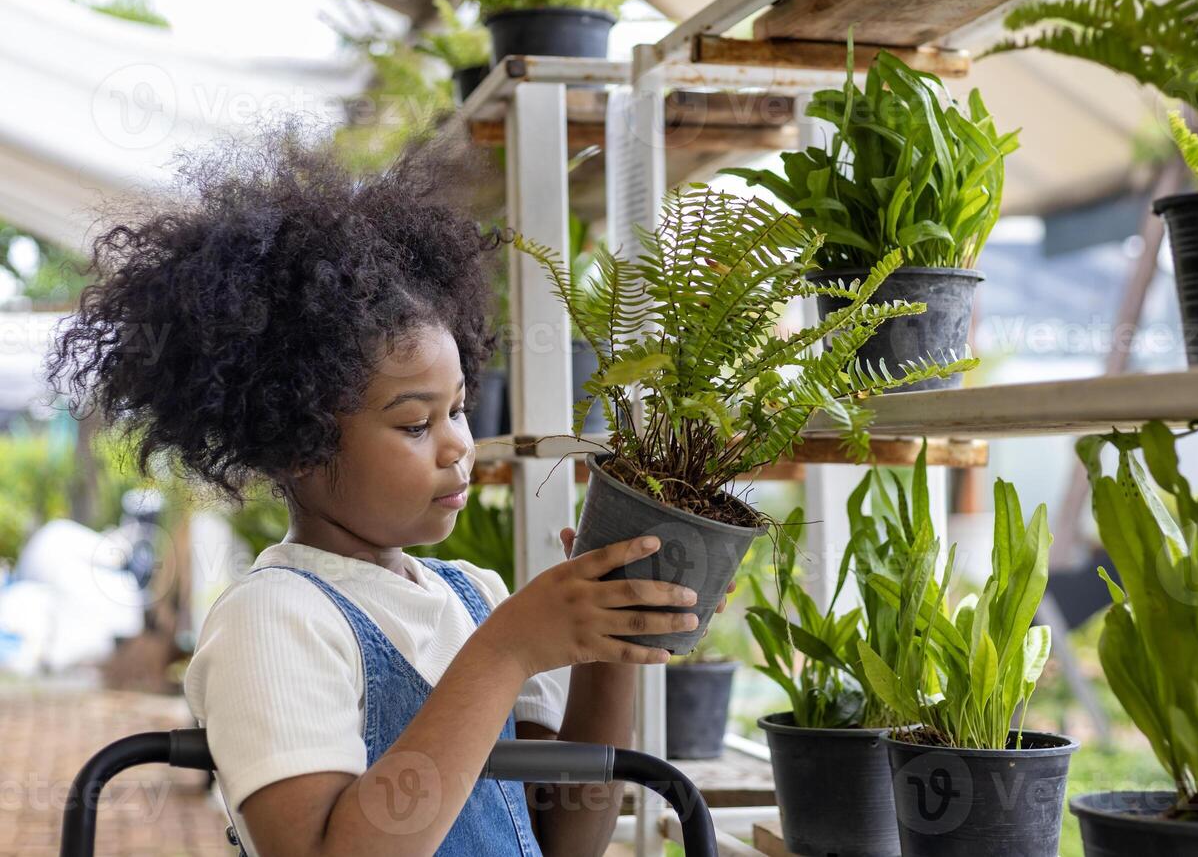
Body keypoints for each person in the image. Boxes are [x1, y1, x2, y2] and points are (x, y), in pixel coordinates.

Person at [46, 128, 730, 857]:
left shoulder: (474, 596)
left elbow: (564, 839)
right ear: (298, 442)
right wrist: (503, 655)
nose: (459, 444)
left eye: (459, 409)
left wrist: (607, 651)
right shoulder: (274, 619)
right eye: (414, 423)